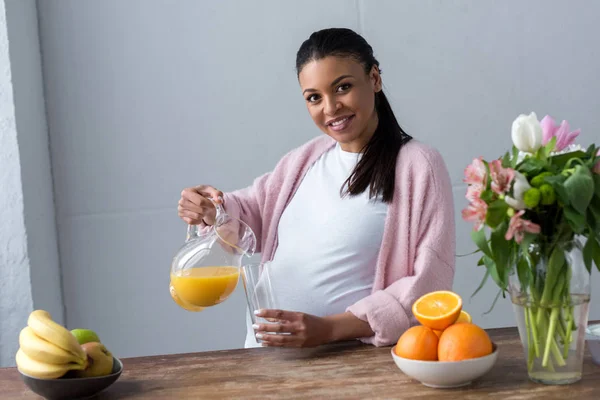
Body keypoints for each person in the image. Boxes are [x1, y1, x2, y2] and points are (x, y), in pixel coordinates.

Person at [177, 27, 456, 348]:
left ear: (375, 79)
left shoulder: (417, 165)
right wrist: (213, 209)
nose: (330, 107)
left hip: (348, 363)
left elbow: (428, 287)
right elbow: (252, 212)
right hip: (263, 358)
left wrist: (328, 329)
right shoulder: (307, 159)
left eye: (343, 87)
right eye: (314, 97)